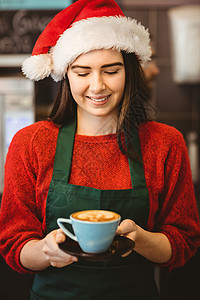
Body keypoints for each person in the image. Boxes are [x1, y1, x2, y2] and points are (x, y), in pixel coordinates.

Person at [0, 0, 200, 299]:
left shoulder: (165, 143)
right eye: (82, 72)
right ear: (66, 75)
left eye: (111, 70)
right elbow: (14, 243)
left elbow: (182, 243)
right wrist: (45, 250)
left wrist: (140, 239)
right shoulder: (31, 143)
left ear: (130, 70)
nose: (97, 86)